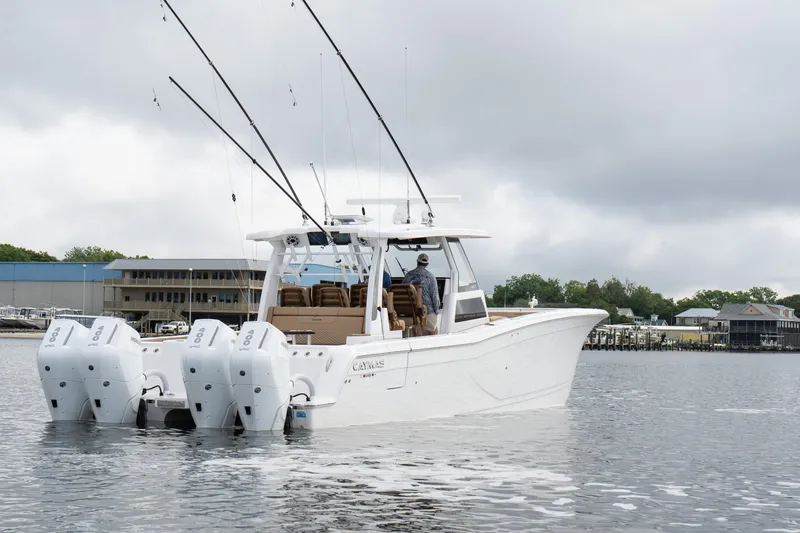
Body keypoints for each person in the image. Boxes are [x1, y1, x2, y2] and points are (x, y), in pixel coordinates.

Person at [402, 253, 441, 334]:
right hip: (427, 311)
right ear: (427, 264)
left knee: (418, 328)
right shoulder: (431, 277)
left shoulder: (408, 275)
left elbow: (403, 293)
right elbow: (435, 297)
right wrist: (437, 311)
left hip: (410, 311)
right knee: (434, 333)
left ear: (417, 262)